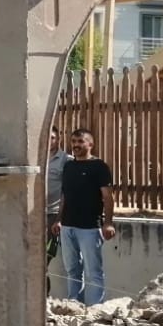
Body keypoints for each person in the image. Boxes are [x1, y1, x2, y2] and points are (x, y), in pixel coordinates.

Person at [51, 128, 116, 305]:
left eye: (81, 141)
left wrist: (108, 223)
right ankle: (74, 304)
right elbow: (64, 196)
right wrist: (58, 220)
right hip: (67, 226)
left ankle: (95, 309)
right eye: (73, 141)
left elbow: (108, 197)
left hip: (90, 228)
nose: (76, 145)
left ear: (90, 144)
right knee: (72, 270)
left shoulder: (99, 167)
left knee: (93, 272)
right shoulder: (69, 166)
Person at [44, 127, 69, 292]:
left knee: (45, 258)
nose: (49, 141)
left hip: (53, 215)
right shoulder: (37, 158)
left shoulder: (66, 160)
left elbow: (66, 192)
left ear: (58, 139)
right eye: (47, 138)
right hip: (34, 214)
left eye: (52, 138)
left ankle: (43, 299)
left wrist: (60, 218)